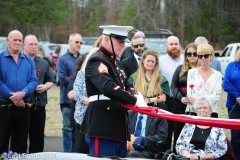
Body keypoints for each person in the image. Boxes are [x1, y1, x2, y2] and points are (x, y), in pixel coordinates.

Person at [81, 25, 148, 158]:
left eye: (124, 42)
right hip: (103, 126)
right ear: (106, 39)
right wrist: (134, 100)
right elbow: (108, 87)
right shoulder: (97, 60)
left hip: (118, 127)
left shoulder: (116, 62)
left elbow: (127, 84)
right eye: (119, 41)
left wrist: (136, 94)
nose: (123, 45)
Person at [0, 30, 37, 154]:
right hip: (5, 107)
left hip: (23, 107)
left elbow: (33, 81)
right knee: (2, 141)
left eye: (20, 40)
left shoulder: (29, 60)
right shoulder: (0, 58)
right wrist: (14, 97)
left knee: (20, 143)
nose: (18, 42)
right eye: (15, 40)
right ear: (7, 40)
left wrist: (23, 93)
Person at [23, 35, 54, 153]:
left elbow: (51, 81)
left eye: (36, 44)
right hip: (22, 104)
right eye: (31, 44)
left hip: (39, 104)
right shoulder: (19, 60)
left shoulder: (43, 63)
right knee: (20, 136)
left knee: (37, 138)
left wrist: (45, 86)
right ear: (24, 45)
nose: (34, 47)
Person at [171, 43, 199, 153]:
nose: (192, 56)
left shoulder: (202, 69)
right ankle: (178, 155)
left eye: (194, 53)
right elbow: (173, 86)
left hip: (196, 107)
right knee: (178, 133)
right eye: (189, 54)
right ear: (186, 56)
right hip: (179, 105)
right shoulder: (180, 69)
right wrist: (180, 97)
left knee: (193, 134)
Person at [56, 33, 82, 152]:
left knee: (78, 130)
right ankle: (67, 154)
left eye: (80, 42)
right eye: (77, 42)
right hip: (67, 101)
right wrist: (77, 86)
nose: (79, 44)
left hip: (80, 102)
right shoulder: (62, 59)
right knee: (67, 129)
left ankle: (76, 154)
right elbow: (62, 78)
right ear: (69, 42)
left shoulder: (84, 59)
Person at [159, 35, 183, 147]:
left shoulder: (186, 61)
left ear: (180, 45)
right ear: (166, 46)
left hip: (181, 102)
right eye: (171, 44)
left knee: (180, 132)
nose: (174, 46)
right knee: (166, 132)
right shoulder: (160, 61)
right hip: (166, 101)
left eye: (176, 44)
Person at [186, 44, 222, 117]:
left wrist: (198, 99)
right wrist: (205, 99)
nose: (203, 58)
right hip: (193, 111)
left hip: (211, 112)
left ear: (211, 57)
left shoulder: (217, 75)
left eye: (205, 56)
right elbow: (190, 94)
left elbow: (216, 96)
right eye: (200, 56)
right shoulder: (191, 72)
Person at [222, 48, 240, 160]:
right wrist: (237, 96)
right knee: (236, 137)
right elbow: (226, 83)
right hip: (234, 106)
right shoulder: (231, 66)